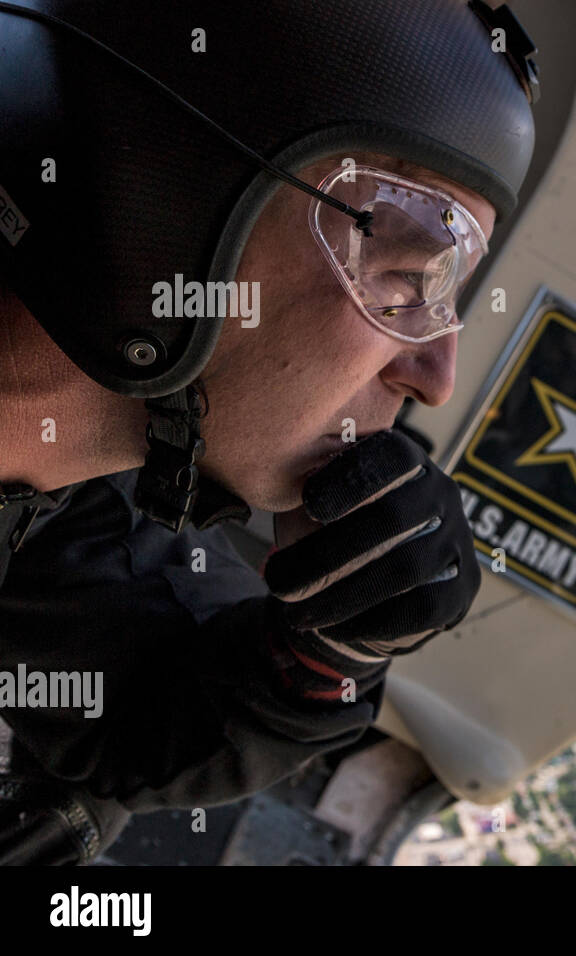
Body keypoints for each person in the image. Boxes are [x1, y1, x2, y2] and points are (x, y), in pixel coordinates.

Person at [0, 0, 539, 863]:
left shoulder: (56, 513)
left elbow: (130, 716)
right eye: (404, 279)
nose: (434, 378)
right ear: (177, 211)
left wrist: (325, 650)